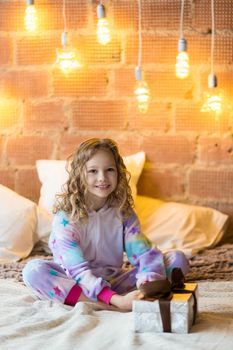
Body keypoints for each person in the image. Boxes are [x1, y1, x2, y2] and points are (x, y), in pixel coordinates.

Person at [23, 138, 189, 311]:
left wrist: (148, 283)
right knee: (33, 271)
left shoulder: (123, 213)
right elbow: (76, 270)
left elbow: (144, 253)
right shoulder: (66, 216)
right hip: (75, 282)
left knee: (177, 260)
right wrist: (116, 300)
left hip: (114, 281)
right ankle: (108, 305)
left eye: (109, 170)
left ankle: (136, 298)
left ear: (118, 173)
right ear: (80, 175)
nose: (102, 178)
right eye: (93, 171)